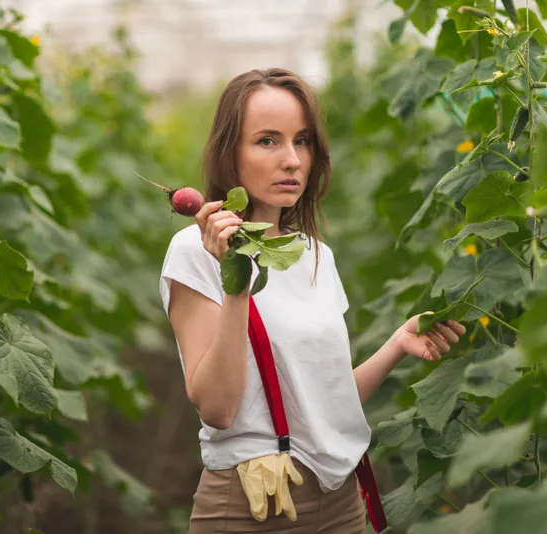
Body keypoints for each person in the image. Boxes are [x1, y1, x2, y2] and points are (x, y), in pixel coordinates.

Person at [158, 68, 465, 534]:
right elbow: (217, 408)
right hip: (254, 508)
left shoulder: (315, 255)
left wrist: (397, 344)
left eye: (301, 141)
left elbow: (322, 401)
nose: (292, 160)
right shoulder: (195, 251)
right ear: (229, 155)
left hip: (341, 503)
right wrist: (235, 276)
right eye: (267, 141)